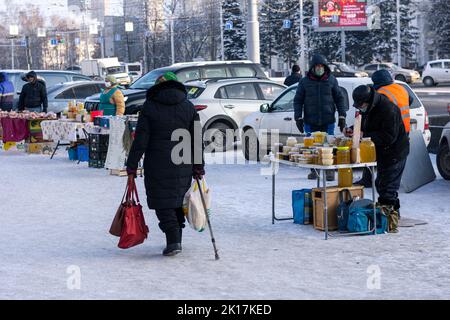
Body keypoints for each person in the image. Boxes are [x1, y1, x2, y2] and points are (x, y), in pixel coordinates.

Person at [126, 72, 204, 257]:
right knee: (177, 200)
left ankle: (173, 241)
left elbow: (141, 140)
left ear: (158, 86)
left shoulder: (150, 106)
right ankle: (176, 240)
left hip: (157, 162)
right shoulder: (188, 106)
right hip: (183, 161)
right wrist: (198, 165)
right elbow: (197, 139)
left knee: (164, 203)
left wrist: (132, 164)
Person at [351, 85, 410, 233]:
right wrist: (354, 130)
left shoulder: (388, 109)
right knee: (382, 185)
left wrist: (365, 135)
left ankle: (389, 223)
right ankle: (392, 217)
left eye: (361, 105)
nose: (361, 108)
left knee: (387, 187)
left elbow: (389, 136)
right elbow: (366, 125)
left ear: (368, 100)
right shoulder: (369, 108)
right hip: (383, 152)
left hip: (395, 152)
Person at [355, 69, 412, 194]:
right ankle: (385, 205)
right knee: (384, 182)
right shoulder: (401, 88)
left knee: (388, 185)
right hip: (404, 128)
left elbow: (385, 134)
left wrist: (364, 134)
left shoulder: (381, 95)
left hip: (392, 134)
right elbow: (410, 101)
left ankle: (388, 208)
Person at [294, 53, 347, 181]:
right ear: (312, 67)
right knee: (312, 147)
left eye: (321, 66)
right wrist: (298, 117)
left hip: (328, 119)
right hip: (310, 121)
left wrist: (342, 116)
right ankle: (314, 170)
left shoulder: (332, 80)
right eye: (316, 66)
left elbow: (340, 98)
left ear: (325, 67)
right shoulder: (304, 82)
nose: (319, 68)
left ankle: (329, 171)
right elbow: (298, 100)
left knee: (328, 145)